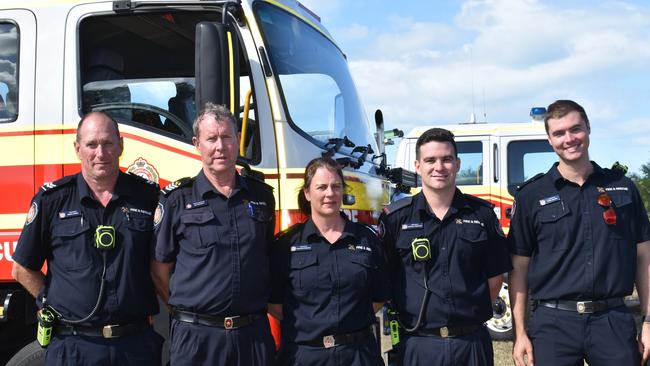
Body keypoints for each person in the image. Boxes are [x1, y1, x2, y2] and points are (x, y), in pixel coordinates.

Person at [11, 111, 163, 365]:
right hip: (73, 347)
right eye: (91, 144)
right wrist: (49, 302)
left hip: (135, 346)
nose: (100, 153)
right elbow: (22, 267)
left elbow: (164, 263)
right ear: (78, 148)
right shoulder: (53, 200)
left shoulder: (147, 197)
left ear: (121, 146)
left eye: (107, 143)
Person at [508, 100, 650, 366]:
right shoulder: (531, 195)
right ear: (550, 140)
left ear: (588, 129)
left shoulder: (622, 187)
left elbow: (645, 257)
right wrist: (520, 333)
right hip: (553, 324)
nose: (569, 139)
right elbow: (519, 267)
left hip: (612, 320)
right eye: (559, 133)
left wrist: (649, 320)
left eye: (576, 129)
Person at [151, 102, 276, 366]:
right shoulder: (176, 199)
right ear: (197, 144)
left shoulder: (261, 197)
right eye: (211, 139)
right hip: (197, 339)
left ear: (237, 142)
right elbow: (160, 270)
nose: (220, 147)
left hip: (251, 337)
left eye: (227, 137)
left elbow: (264, 255)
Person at [378, 127, 512, 365]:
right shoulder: (396, 219)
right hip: (418, 346)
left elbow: (494, 280)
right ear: (418, 166)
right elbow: (384, 279)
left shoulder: (482, 215)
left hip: (471, 345)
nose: (439, 167)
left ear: (458, 164)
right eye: (430, 160)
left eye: (446, 159)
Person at [268, 157, 390, 366]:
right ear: (307, 193)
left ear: (343, 191)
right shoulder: (285, 244)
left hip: (358, 354)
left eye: (336, 186)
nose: (329, 194)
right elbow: (274, 304)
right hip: (304, 355)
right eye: (321, 187)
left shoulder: (367, 240)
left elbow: (379, 297)